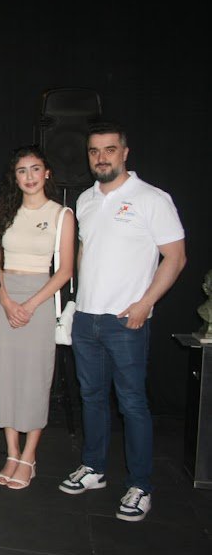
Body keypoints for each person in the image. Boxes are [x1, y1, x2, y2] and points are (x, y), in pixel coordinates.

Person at [59, 122, 185, 522]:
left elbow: (176, 257)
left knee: (132, 403)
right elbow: (85, 252)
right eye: (94, 151)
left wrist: (145, 303)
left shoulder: (152, 199)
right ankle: (94, 468)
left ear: (125, 153)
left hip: (125, 321)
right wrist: (77, 302)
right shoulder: (85, 200)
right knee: (92, 397)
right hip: (87, 319)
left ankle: (140, 485)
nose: (101, 158)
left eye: (109, 150)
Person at [0, 146, 75, 490]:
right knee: (6, 376)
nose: (29, 176)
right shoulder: (5, 212)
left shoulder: (62, 214)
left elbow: (65, 270)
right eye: (22, 170)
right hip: (5, 298)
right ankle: (11, 453)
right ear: (15, 177)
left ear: (47, 173)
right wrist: (6, 300)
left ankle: (29, 456)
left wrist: (30, 304)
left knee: (36, 379)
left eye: (35, 169)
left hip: (40, 297)